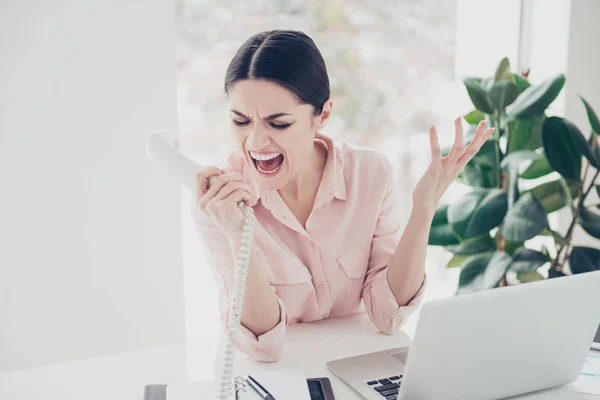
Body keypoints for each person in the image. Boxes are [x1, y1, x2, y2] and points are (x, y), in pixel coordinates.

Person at [191, 29, 494, 363]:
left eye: (278, 124)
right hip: (278, 380)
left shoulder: (370, 175)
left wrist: (424, 208)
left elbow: (387, 316)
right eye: (241, 121)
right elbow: (264, 346)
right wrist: (237, 235)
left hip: (362, 369)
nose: (256, 142)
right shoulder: (219, 204)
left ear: (322, 116)